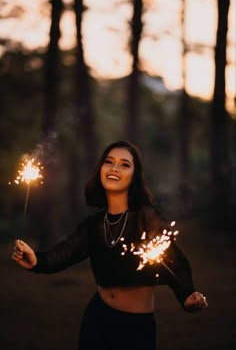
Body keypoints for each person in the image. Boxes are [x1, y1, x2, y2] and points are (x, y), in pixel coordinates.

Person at [12, 140, 208, 350]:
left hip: (135, 328)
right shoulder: (94, 225)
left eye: (125, 164)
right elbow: (65, 252)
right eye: (109, 162)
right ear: (101, 170)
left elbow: (173, 261)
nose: (114, 168)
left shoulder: (145, 216)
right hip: (97, 318)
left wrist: (187, 295)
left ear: (134, 176)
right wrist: (37, 261)